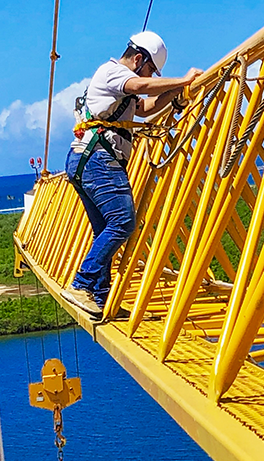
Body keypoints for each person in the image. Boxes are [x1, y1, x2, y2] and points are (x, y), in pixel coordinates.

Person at [61, 31, 203, 317]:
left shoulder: (120, 90)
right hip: (98, 159)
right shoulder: (112, 72)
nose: (151, 75)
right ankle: (82, 284)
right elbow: (142, 86)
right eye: (151, 68)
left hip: (86, 160)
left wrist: (177, 94)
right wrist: (184, 80)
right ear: (139, 59)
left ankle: (101, 299)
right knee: (123, 222)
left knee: (106, 230)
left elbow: (145, 107)